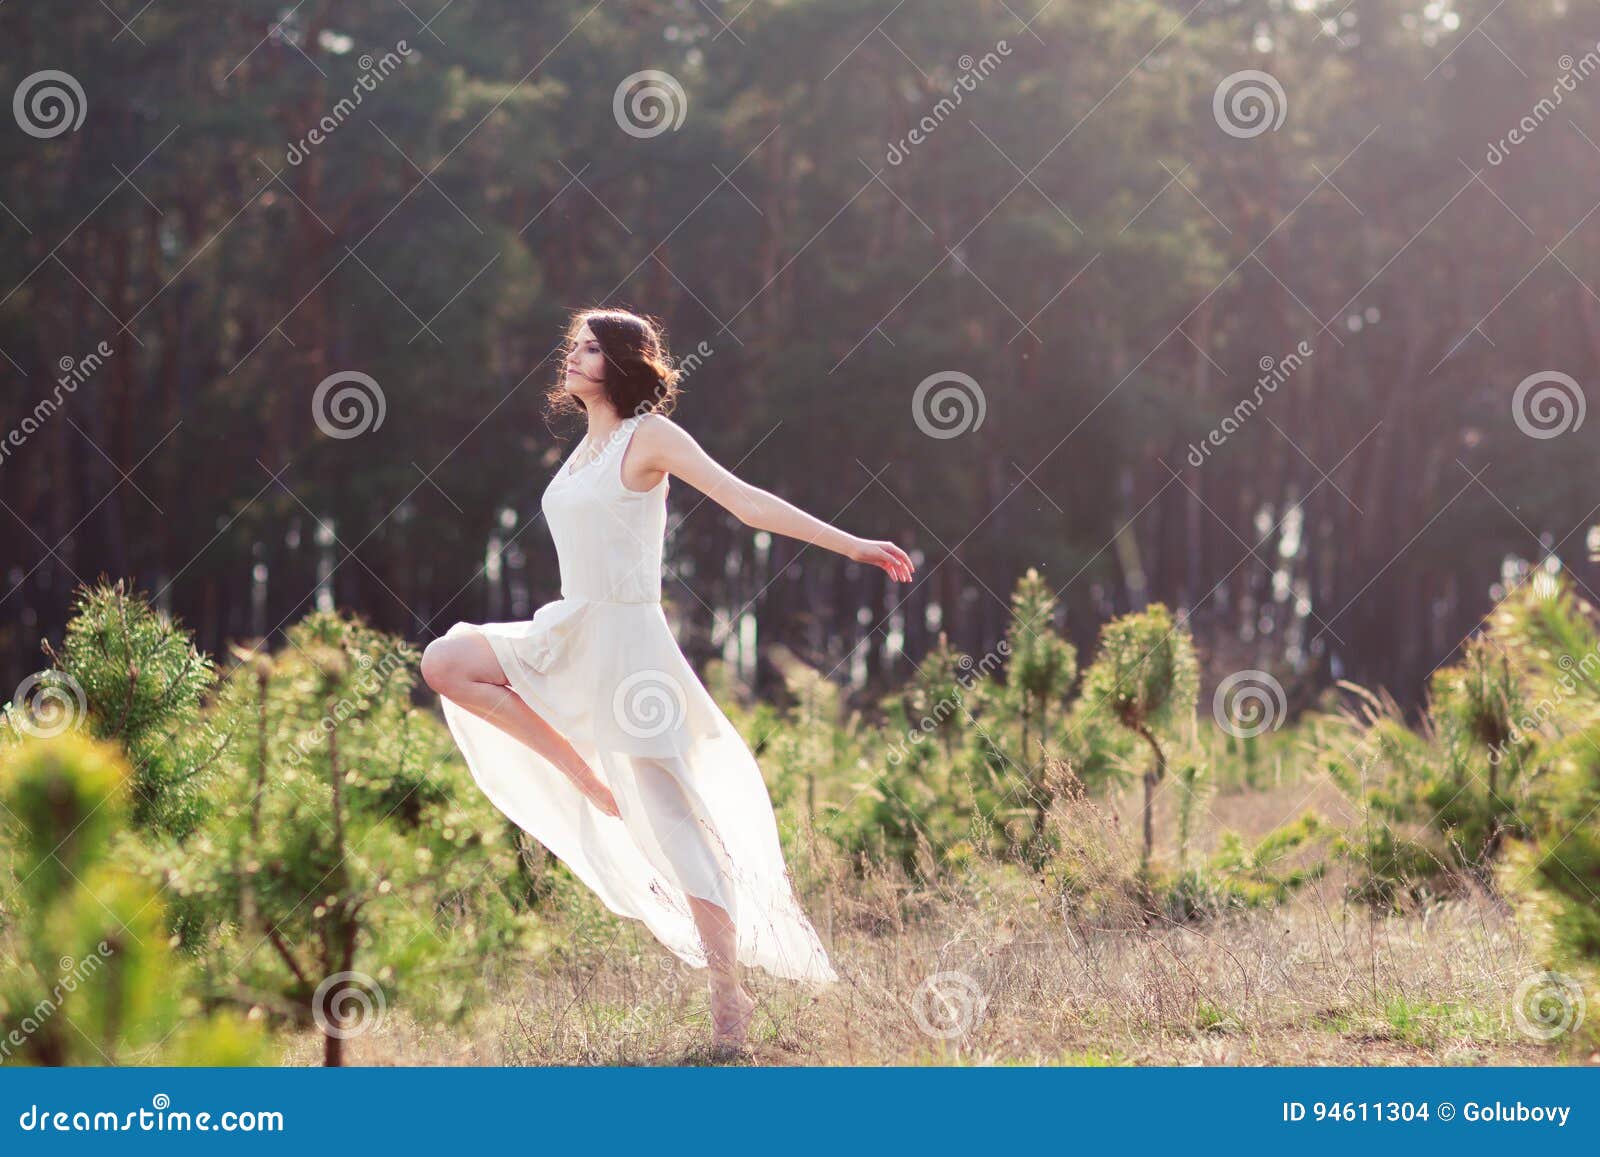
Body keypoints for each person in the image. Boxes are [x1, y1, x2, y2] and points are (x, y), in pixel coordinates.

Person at [420, 307, 915, 1053]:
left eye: (590, 348)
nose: (574, 356)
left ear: (622, 361)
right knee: (446, 661)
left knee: (681, 829)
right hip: (570, 628)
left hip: (626, 646)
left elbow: (745, 502)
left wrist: (850, 545)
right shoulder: (583, 449)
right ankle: (586, 776)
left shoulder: (647, 436)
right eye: (574, 346)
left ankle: (728, 1002)